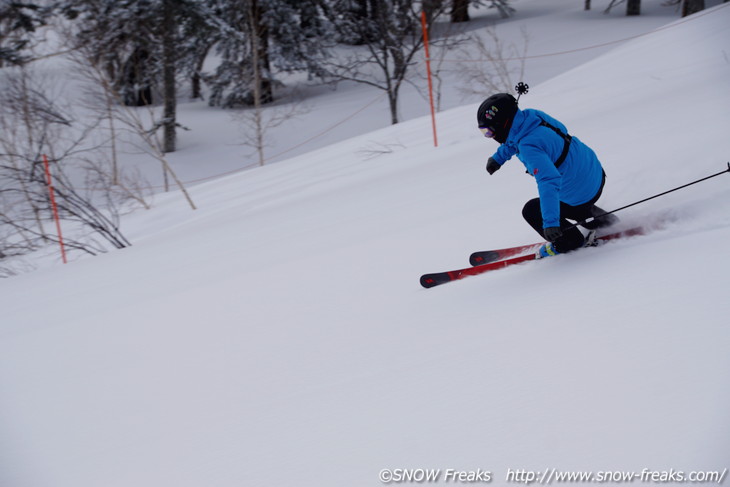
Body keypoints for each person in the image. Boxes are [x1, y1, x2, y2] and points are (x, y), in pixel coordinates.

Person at [477, 92, 617, 258]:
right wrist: (499, 157)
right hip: (593, 173)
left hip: (578, 190)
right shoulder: (531, 116)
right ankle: (604, 221)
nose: (490, 136)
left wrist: (551, 223)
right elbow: (516, 136)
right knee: (572, 195)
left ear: (502, 124)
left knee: (531, 210)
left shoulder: (528, 147)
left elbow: (548, 180)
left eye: (489, 131)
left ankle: (569, 240)